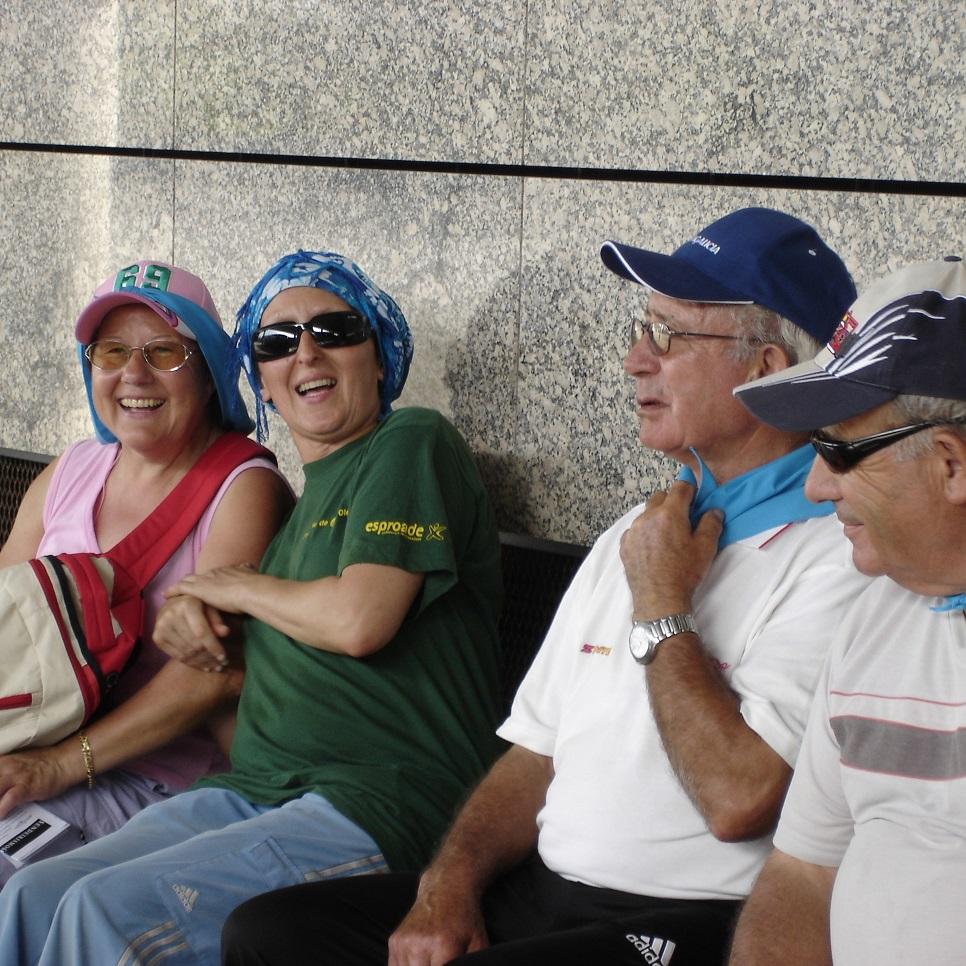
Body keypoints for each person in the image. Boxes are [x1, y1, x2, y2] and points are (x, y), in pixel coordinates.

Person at [219, 208, 871, 966]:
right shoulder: (644, 527)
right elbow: (535, 755)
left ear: (764, 368)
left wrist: (663, 605)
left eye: (667, 335)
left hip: (696, 918)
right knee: (270, 935)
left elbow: (740, 800)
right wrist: (447, 886)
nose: (634, 359)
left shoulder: (840, 550)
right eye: (639, 327)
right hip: (543, 892)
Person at [0, 249, 503, 965]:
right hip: (255, 790)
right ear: (261, 382)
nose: (305, 355)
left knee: (99, 913)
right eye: (276, 342)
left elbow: (360, 620)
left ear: (381, 353)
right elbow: (226, 662)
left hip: (379, 802)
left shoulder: (409, 441)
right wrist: (192, 615)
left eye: (334, 330)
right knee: (34, 893)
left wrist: (224, 586)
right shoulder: (296, 525)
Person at [0, 259, 291, 883]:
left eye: (163, 352)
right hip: (29, 757)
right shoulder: (71, 470)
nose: (134, 374)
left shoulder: (244, 490)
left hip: (155, 787)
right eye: (112, 351)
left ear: (210, 374)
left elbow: (209, 680)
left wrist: (55, 765)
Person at [726, 256, 966, 966]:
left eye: (836, 448)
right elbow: (804, 872)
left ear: (951, 464)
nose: (814, 485)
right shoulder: (878, 614)